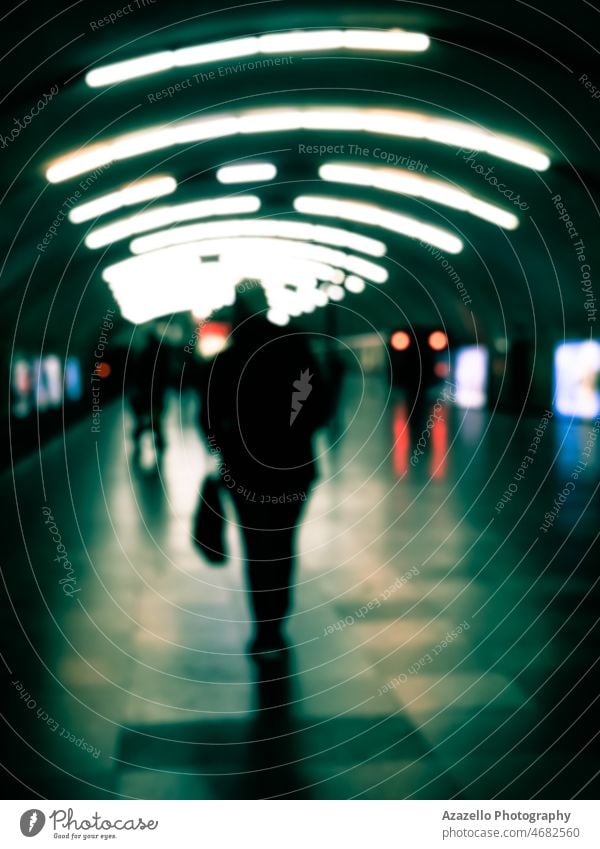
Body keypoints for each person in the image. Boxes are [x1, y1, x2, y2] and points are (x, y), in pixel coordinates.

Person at [199, 309, 331, 658]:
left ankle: (264, 629)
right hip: (293, 468)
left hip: (245, 471)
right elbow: (321, 409)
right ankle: (278, 621)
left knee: (256, 547)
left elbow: (207, 418)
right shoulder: (295, 353)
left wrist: (228, 446)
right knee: (284, 544)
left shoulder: (227, 361)